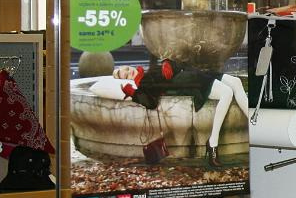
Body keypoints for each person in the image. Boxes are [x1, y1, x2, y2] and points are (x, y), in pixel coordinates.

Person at [100, 60, 249, 166]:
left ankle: (252, 123)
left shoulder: (148, 70)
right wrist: (133, 93)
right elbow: (150, 102)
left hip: (195, 74)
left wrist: (168, 63)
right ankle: (213, 143)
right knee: (227, 92)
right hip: (187, 81)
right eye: (125, 76)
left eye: (126, 69)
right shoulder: (142, 83)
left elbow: (177, 64)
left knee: (236, 81)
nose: (129, 72)